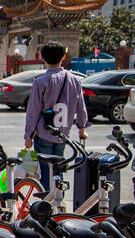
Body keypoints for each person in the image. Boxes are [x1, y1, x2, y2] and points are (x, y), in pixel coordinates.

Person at [24, 43, 89, 190]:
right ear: (63, 57)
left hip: (44, 132)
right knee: (59, 166)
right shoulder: (75, 80)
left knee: (46, 170)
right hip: (63, 134)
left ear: (43, 59)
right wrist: (81, 128)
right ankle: (59, 198)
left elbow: (33, 111)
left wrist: (28, 135)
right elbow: (81, 106)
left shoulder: (40, 81)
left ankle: (48, 202)